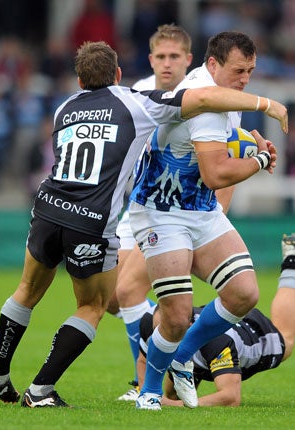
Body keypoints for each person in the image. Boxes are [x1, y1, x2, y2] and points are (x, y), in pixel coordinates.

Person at [0, 40, 284, 408]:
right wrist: (264, 104)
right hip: (93, 218)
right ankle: (42, 391)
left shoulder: (64, 108)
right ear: (120, 74)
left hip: (46, 208)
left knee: (26, 292)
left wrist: (241, 140)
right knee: (94, 305)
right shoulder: (135, 101)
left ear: (79, 79)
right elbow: (199, 104)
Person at [128, 31, 286, 410]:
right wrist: (260, 161)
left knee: (244, 293)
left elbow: (225, 134)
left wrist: (251, 139)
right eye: (238, 70)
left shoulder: (223, 94)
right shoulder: (204, 99)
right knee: (177, 313)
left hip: (199, 209)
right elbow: (216, 175)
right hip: (161, 212)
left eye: (250, 70)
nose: (245, 79)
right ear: (212, 65)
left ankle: (182, 357)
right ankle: (148, 392)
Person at [116, 23, 193, 401]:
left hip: (177, 211)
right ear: (150, 59)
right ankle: (175, 357)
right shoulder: (139, 94)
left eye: (174, 56)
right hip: (137, 206)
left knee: (129, 290)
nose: (167, 63)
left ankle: (146, 379)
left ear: (188, 59)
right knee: (121, 296)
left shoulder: (202, 96)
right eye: (161, 56)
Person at [137, 233, 295, 407]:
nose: (166, 336)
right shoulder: (149, 324)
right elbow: (145, 360)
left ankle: (291, 263)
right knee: (173, 392)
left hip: (255, 333)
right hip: (205, 339)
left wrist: (171, 405)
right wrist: (147, 393)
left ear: (188, 326)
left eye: (173, 333)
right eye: (162, 333)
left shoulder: (217, 343)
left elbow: (230, 398)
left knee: (286, 338)